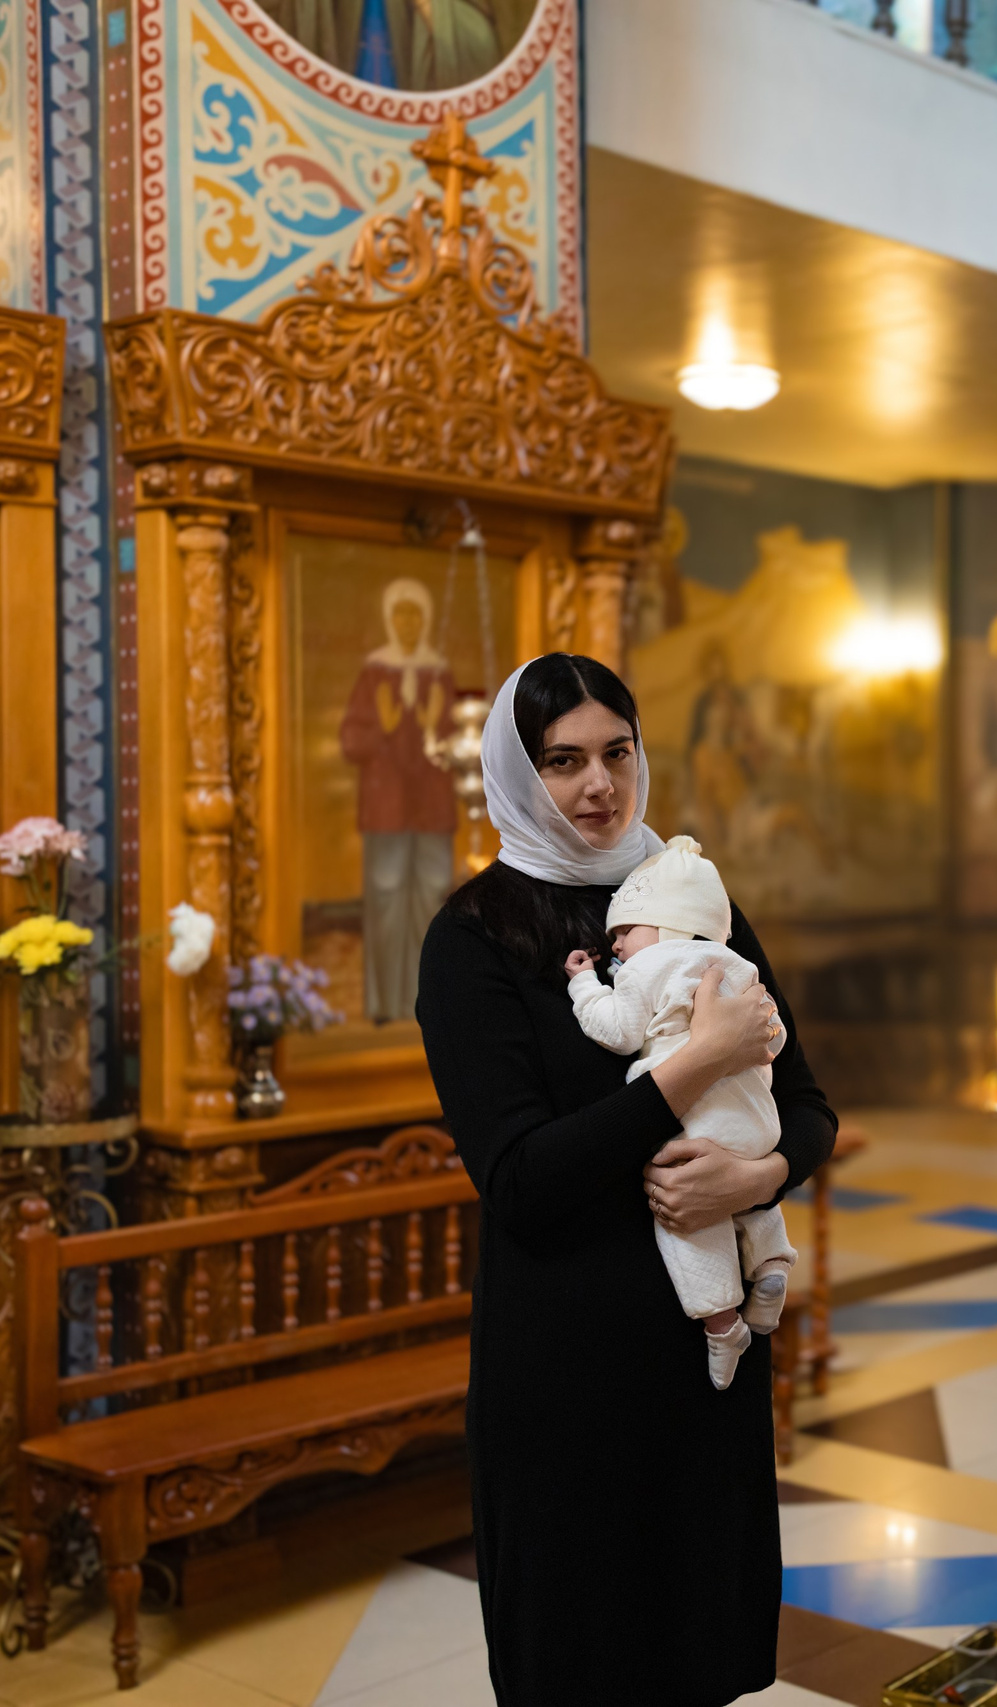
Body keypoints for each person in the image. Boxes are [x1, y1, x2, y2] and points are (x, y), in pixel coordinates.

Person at [416, 652, 835, 1704]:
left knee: (700, 1656)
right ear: (518, 774)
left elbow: (813, 1110)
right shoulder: (473, 940)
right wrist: (690, 1067)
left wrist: (759, 1177)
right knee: (581, 1665)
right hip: (566, 1370)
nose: (598, 785)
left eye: (616, 752)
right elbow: (518, 1179)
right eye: (561, 761)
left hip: (704, 1367)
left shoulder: (698, 906)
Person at [566, 834, 796, 1390]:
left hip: (693, 1119)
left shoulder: (650, 968)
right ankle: (771, 1267)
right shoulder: (737, 964)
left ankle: (723, 1325)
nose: (615, 944)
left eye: (625, 930)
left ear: (668, 926)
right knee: (745, 1189)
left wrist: (583, 985)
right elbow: (777, 1036)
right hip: (756, 1120)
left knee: (689, 1215)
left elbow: (617, 1032)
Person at [339, 577, 456, 1024]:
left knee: (432, 901)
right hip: (386, 809)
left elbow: (456, 741)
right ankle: (386, 1005)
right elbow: (351, 740)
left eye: (415, 614)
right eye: (400, 613)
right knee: (386, 899)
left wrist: (434, 726)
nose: (408, 622)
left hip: (432, 807)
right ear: (391, 619)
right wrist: (383, 727)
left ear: (424, 620)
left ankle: (429, 1003)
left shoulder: (438, 672)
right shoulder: (375, 673)